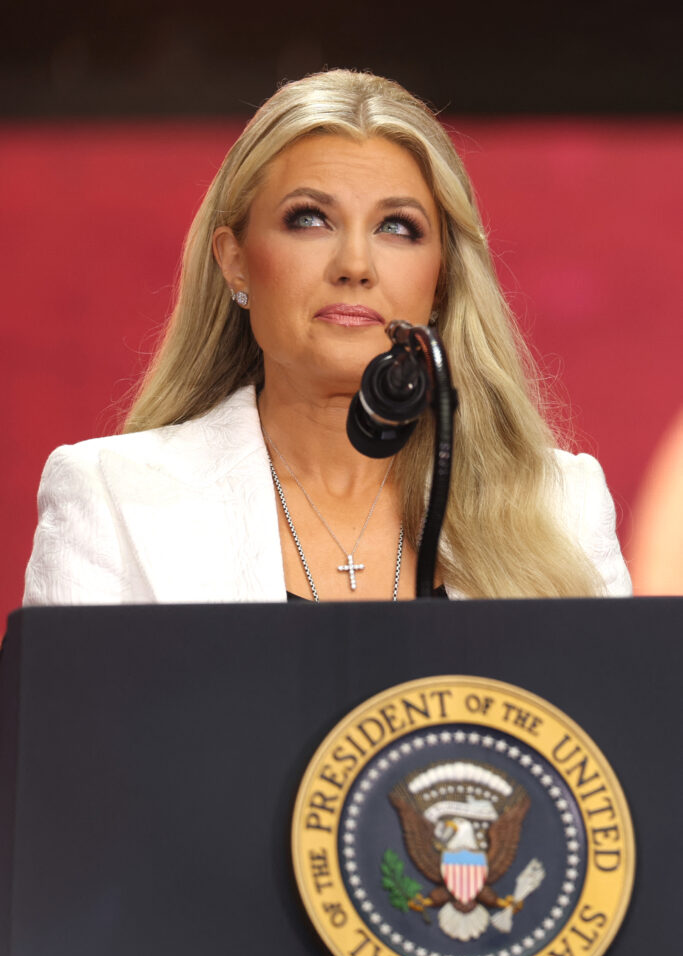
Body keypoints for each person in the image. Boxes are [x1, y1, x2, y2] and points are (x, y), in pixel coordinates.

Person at [23, 69, 631, 606]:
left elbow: (609, 735)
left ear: (441, 281)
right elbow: (71, 737)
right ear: (235, 262)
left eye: (398, 227)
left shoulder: (563, 508)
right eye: (309, 219)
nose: (356, 264)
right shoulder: (111, 499)